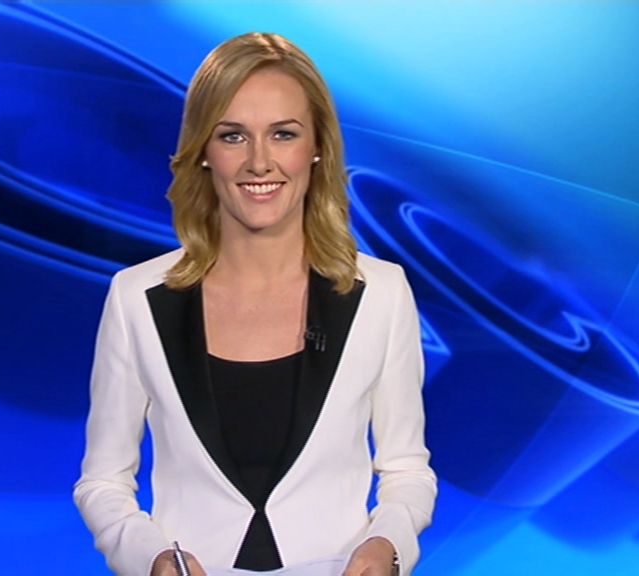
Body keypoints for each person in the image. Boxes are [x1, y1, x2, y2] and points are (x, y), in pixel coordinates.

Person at [74, 32, 436, 576]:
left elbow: (407, 470)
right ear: (203, 151)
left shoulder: (380, 293)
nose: (260, 162)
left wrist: (386, 546)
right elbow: (103, 481)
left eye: (283, 134)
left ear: (317, 147)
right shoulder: (137, 298)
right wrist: (152, 558)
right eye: (233, 136)